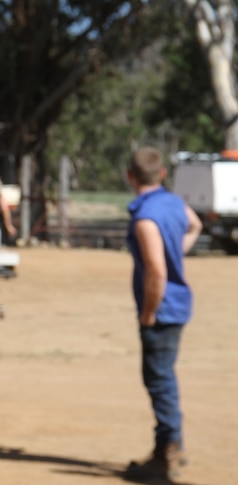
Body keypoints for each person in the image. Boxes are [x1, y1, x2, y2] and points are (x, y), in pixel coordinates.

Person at [124, 146, 202, 481]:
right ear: (162, 174)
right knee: (164, 377)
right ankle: (174, 446)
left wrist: (148, 314)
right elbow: (195, 225)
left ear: (130, 177)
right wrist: (176, 254)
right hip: (178, 304)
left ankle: (167, 454)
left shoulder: (145, 218)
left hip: (162, 310)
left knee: (159, 381)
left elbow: (156, 272)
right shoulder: (172, 203)